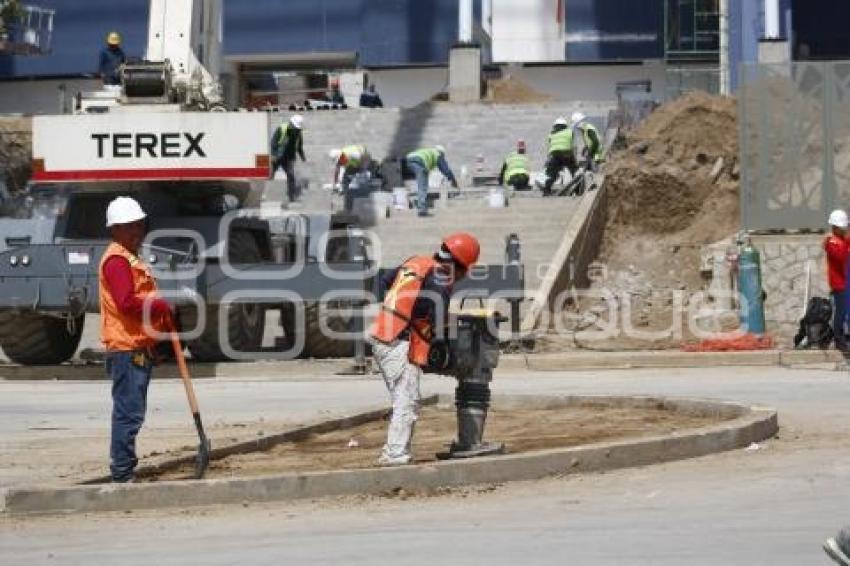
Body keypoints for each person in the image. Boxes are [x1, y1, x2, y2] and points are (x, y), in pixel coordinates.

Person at [368, 232, 481, 465]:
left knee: (405, 398)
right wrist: (442, 341)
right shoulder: (442, 277)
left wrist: (403, 309)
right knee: (406, 399)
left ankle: (397, 452)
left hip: (383, 334)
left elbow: (383, 283)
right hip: (398, 340)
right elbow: (437, 315)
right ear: (458, 264)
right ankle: (394, 456)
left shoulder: (416, 262)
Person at [99, 196, 173, 482]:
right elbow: (127, 302)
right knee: (128, 414)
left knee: (133, 412)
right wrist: (160, 306)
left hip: (138, 346)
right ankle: (122, 473)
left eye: (139, 226)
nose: (136, 232)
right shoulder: (117, 261)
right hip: (126, 348)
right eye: (129, 227)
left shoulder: (130, 258)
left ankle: (123, 469)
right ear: (115, 229)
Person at [405, 145, 458, 217]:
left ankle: (415, 202)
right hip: (419, 162)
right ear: (441, 153)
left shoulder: (430, 151)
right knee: (423, 186)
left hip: (408, 160)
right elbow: (446, 170)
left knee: (420, 183)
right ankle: (422, 210)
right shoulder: (438, 154)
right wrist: (453, 181)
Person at [824, 209, 850, 351]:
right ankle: (839, 340)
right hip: (839, 283)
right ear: (835, 227)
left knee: (847, 310)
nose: (845, 230)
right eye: (842, 228)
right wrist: (846, 244)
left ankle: (845, 337)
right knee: (840, 312)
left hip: (846, 281)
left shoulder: (842, 241)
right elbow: (841, 258)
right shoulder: (832, 243)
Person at [271, 114, 306, 202]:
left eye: (297, 127)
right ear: (291, 123)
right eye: (294, 126)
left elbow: (299, 147)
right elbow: (273, 142)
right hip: (278, 156)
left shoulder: (298, 132)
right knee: (270, 174)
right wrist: (273, 155)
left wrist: (303, 158)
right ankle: (267, 195)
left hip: (288, 158)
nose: (295, 129)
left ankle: (291, 197)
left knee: (291, 176)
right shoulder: (282, 128)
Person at [329, 144, 371, 211]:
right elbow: (337, 169)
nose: (339, 163)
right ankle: (346, 194)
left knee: (360, 180)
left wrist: (363, 170)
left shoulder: (351, 154)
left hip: (364, 159)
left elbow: (364, 159)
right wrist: (335, 184)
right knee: (345, 178)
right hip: (354, 163)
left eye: (339, 160)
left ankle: (360, 197)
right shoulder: (342, 157)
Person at [542, 117, 576, 196]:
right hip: (566, 154)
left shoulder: (551, 134)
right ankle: (577, 189)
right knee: (574, 171)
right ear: (565, 125)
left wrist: (548, 160)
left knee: (552, 174)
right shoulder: (570, 132)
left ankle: (546, 191)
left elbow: (551, 146)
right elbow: (573, 145)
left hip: (555, 155)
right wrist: (573, 158)